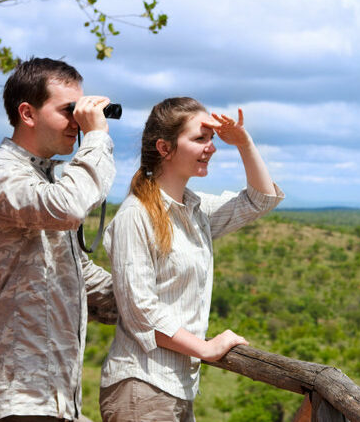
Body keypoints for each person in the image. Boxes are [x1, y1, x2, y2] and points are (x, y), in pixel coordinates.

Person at [98, 97, 283, 422]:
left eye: (211, 139)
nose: (210, 147)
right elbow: (142, 311)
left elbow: (260, 199)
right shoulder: (135, 216)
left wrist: (243, 142)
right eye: (200, 138)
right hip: (143, 386)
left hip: (176, 386)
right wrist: (206, 348)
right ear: (165, 147)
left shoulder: (195, 211)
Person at [0, 57, 118, 422]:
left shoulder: (47, 180)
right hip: (20, 394)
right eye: (69, 110)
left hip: (57, 396)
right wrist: (96, 138)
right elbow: (67, 208)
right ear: (28, 113)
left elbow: (77, 273)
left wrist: (146, 302)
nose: (78, 120)